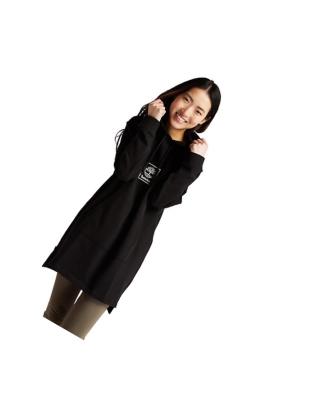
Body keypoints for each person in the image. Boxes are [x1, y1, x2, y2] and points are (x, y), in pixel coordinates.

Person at [42, 77, 221, 340]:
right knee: (55, 314)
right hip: (93, 230)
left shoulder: (189, 157)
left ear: (204, 120)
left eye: (198, 110)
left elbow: (161, 198)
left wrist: (194, 163)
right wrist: (151, 122)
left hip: (128, 246)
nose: (186, 111)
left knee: (74, 331)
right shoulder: (143, 125)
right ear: (175, 96)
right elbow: (126, 170)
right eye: (186, 99)